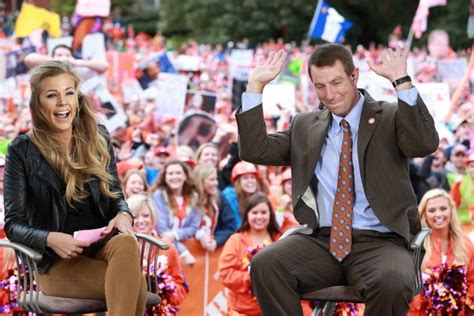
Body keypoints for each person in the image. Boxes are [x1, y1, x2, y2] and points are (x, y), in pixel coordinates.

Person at [236, 44, 439, 315]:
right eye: (320, 86)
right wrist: (254, 88)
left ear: (354, 76)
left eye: (336, 82)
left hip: (381, 242)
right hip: (322, 241)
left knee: (391, 282)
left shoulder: (389, 116)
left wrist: (401, 82)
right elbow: (254, 149)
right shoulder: (305, 125)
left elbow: (423, 144)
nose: (330, 95)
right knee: (266, 264)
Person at [3, 61, 146, 315]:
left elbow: (117, 198)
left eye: (68, 92)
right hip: (55, 262)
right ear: (37, 103)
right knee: (134, 286)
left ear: (77, 98)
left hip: (102, 247)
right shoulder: (21, 151)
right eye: (51, 95)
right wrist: (50, 238)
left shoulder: (99, 137)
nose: (62, 102)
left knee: (126, 244)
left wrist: (124, 215)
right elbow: (13, 224)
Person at [408, 189, 474, 315]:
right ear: (424, 215)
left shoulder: (466, 244)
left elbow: (472, 280)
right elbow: (406, 287)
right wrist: (431, 296)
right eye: (432, 210)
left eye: (443, 208)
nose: (438, 214)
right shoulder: (415, 245)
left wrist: (459, 295)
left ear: (451, 211)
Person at [218, 192, 280, 316]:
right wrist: (254, 277)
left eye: (263, 212)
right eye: (254, 212)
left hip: (274, 310)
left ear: (270, 215)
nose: (259, 217)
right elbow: (225, 274)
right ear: (247, 215)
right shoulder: (235, 240)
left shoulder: (279, 240)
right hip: (241, 311)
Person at [127, 194, 188, 314]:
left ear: (153, 218)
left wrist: (165, 287)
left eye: (145, 215)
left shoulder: (167, 247)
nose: (141, 221)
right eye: (135, 216)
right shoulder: (119, 248)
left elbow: (182, 289)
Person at [150, 159, 200, 265]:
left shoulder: (194, 196)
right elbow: (163, 231)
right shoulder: (158, 196)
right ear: (165, 177)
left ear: (185, 176)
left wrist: (176, 234)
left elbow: (194, 227)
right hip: (164, 251)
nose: (174, 177)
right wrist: (184, 252)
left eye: (178, 173)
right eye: (170, 173)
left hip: (186, 250)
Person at [24, 44, 109, 81]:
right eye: (59, 55)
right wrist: (55, 61)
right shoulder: (45, 70)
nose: (64, 58)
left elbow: (104, 66)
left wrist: (77, 62)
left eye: (67, 55)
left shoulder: (78, 71)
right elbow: (29, 59)